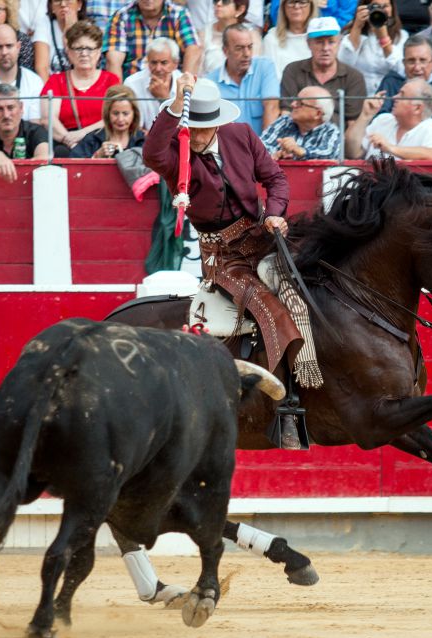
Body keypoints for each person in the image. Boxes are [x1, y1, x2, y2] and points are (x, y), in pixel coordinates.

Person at [142, 74, 312, 448]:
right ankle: (287, 407)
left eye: (204, 128)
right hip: (223, 257)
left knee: (317, 284)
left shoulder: (241, 136)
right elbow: (152, 154)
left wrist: (277, 213)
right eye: (193, 127)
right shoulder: (178, 151)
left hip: (263, 237)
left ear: (218, 122)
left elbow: (276, 179)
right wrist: (175, 105)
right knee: (270, 308)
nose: (197, 135)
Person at [40, 21, 120, 150]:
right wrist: (72, 143)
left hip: (102, 143)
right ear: (68, 52)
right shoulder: (55, 81)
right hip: (66, 145)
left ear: (99, 52)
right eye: (78, 48)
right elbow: (48, 119)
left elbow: (116, 118)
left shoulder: (111, 81)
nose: (84, 53)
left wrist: (82, 134)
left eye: (90, 48)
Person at [280, 17, 367, 127]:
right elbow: (286, 113)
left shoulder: (354, 77)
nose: (325, 48)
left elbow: (353, 124)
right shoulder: (293, 71)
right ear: (308, 44)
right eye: (319, 42)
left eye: (331, 42)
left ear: (339, 43)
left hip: (338, 141)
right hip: (297, 138)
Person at [346, 77, 432, 159]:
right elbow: (352, 153)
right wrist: (365, 115)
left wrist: (390, 148)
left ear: (417, 108)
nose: (394, 97)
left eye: (402, 94)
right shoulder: (382, 120)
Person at [206, 23, 280, 134]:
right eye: (239, 48)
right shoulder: (210, 82)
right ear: (225, 51)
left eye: (250, 47)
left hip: (262, 145)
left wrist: (264, 148)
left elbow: (272, 107)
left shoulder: (265, 67)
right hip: (226, 148)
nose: (247, 54)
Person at [105, 0, 201, 79]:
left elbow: (193, 50)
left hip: (170, 84)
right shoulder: (121, 16)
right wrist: (121, 96)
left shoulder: (178, 14)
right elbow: (113, 61)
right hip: (131, 86)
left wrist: (183, 89)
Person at [339, 0, 409, 94]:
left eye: (385, 6)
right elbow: (344, 66)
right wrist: (357, 26)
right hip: (358, 95)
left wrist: (384, 39)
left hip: (389, 96)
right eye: (375, 6)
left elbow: (402, 70)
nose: (380, 11)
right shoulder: (351, 35)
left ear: (392, 9)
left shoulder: (401, 36)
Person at [259, 84, 341, 159]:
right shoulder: (284, 121)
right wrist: (278, 153)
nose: (292, 104)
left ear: (318, 114)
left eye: (300, 103)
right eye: (295, 100)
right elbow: (259, 146)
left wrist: (299, 151)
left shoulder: (331, 131)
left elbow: (329, 153)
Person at [71, 83, 146, 157]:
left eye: (125, 114)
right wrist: (96, 156)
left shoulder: (143, 141)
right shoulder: (92, 140)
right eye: (115, 113)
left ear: (134, 114)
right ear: (107, 113)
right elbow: (72, 166)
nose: (120, 119)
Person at [124, 36, 182, 130]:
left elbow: (183, 128)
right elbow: (134, 127)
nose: (158, 68)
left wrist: (164, 99)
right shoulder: (132, 83)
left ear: (175, 64)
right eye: (154, 63)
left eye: (164, 63)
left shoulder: (185, 84)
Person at [199, 0, 261, 76]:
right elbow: (198, 71)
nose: (218, 4)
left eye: (225, 1)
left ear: (240, 10)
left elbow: (254, 71)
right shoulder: (204, 32)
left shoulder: (252, 35)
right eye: (216, 0)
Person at [262, 0, 319, 79]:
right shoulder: (271, 39)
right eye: (291, 2)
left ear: (311, 6)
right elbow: (270, 79)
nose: (296, 6)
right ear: (283, 7)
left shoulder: (320, 38)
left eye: (302, 2)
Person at [32, 0, 85, 79]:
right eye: (57, 0)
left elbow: (82, 67)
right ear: (51, 7)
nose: (63, 4)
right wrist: (48, 91)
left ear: (79, 4)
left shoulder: (88, 28)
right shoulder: (44, 24)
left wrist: (69, 32)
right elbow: (41, 68)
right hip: (51, 85)